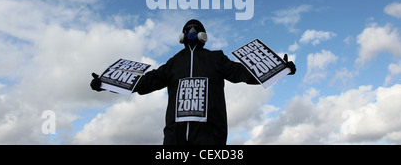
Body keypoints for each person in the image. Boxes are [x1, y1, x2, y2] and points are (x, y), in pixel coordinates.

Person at [90, 19, 296, 145]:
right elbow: (146, 82)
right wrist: (106, 84)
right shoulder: (174, 63)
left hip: (210, 138)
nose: (191, 32)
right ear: (182, 35)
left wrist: (278, 69)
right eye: (188, 29)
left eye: (196, 29)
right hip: (174, 139)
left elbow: (242, 72)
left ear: (203, 35)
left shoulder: (216, 58)